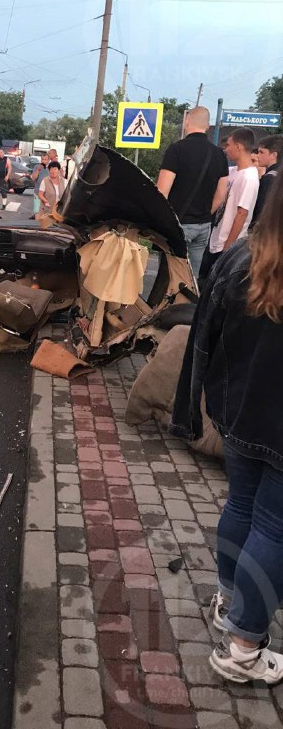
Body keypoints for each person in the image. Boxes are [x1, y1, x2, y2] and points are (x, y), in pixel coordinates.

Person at [170, 175, 283, 685]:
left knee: (241, 506)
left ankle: (228, 600)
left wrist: (194, 410)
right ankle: (243, 649)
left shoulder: (240, 257)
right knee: (274, 528)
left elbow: (203, 338)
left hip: (236, 412)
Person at [156, 106, 229, 279]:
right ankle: (189, 305)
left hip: (177, 225)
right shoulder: (219, 155)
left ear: (186, 122)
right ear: (208, 126)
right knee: (191, 279)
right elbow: (221, 196)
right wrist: (204, 214)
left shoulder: (176, 150)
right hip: (203, 225)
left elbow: (161, 193)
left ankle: (167, 306)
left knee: (168, 278)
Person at [198, 128, 259, 287]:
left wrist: (228, 248)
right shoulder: (231, 171)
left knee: (212, 285)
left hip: (228, 243)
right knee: (202, 281)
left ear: (239, 146)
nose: (226, 149)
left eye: (229, 145)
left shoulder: (250, 177)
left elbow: (242, 214)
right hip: (215, 237)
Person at [250, 134, 282, 228]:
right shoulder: (278, 175)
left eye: (261, 152)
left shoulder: (269, 179)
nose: (258, 155)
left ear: (273, 155)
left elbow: (261, 210)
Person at [30, 153, 50, 220]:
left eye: (45, 159)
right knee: (37, 211)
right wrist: (38, 170)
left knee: (46, 211)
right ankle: (36, 226)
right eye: (42, 159)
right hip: (37, 192)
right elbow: (33, 178)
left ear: (48, 160)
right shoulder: (37, 167)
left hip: (47, 194)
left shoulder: (51, 168)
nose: (44, 161)